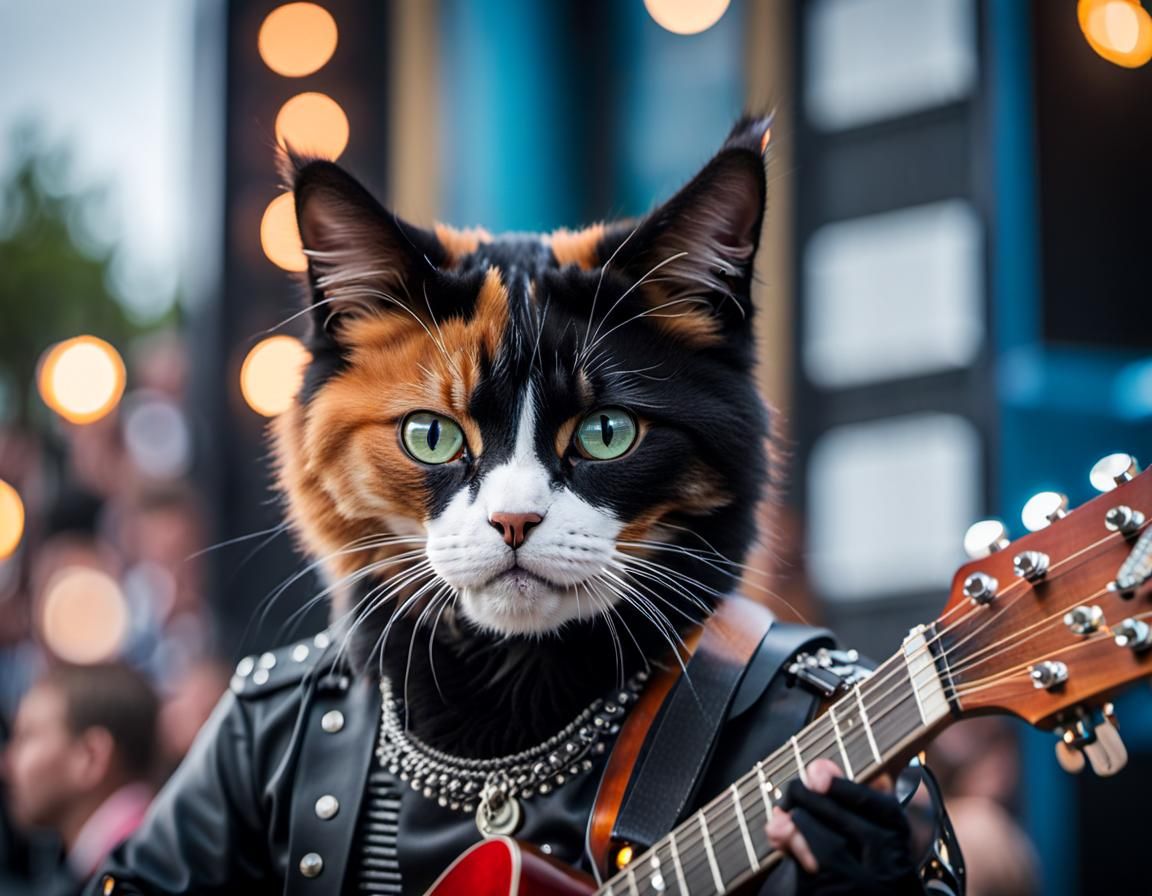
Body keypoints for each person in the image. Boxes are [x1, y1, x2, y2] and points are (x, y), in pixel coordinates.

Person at [4, 664, 158, 895]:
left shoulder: (132, 877)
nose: (6, 764)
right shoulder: (152, 859)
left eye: (27, 736)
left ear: (91, 757)